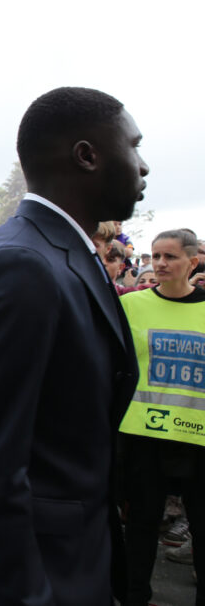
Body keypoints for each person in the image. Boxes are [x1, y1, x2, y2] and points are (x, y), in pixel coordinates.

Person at [0, 87, 147, 606]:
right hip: (23, 575)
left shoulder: (64, 250)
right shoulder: (19, 263)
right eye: (134, 146)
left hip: (68, 554)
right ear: (87, 155)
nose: (144, 166)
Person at [117, 228, 204, 606]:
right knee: (140, 529)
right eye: (155, 257)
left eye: (170, 257)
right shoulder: (132, 305)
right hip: (143, 439)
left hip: (198, 440)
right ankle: (135, 597)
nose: (161, 264)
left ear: (193, 262)